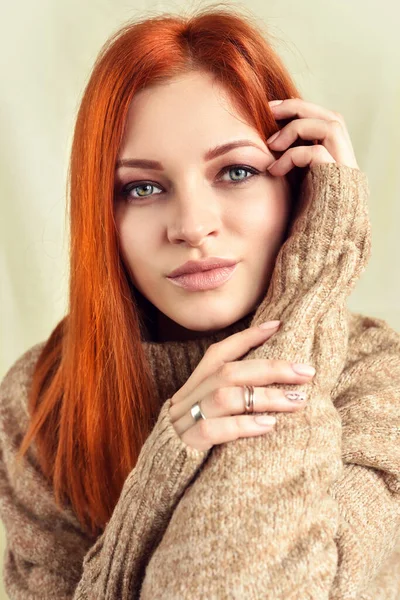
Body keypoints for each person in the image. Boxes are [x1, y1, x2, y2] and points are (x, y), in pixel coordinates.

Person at [1, 4, 400, 599]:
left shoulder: (378, 381)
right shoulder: (41, 400)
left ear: (301, 186)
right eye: (142, 187)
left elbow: (240, 586)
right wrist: (173, 449)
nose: (191, 226)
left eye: (236, 172)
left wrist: (310, 292)